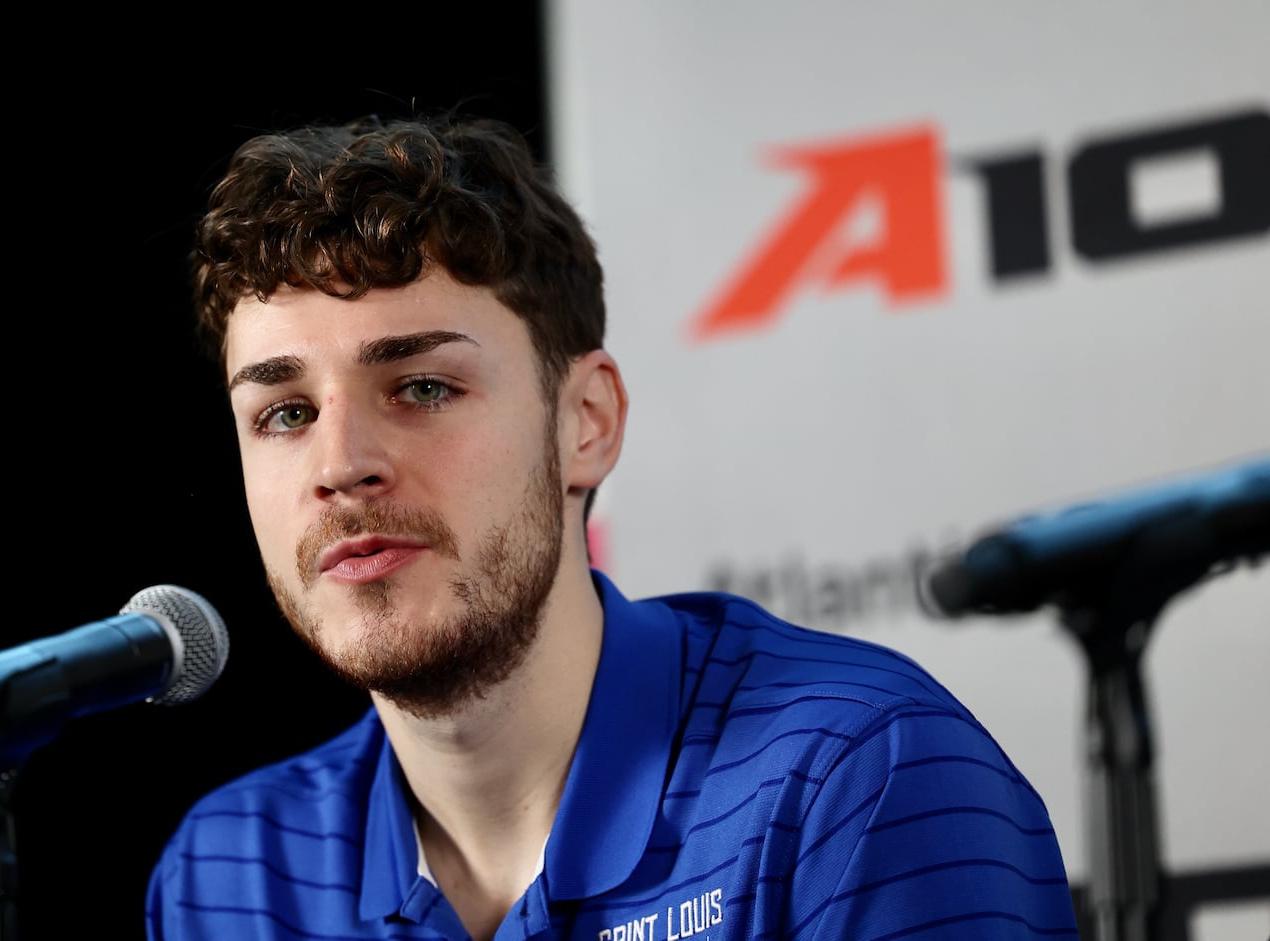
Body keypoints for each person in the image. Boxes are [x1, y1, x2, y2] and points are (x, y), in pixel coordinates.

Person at [145, 110, 1079, 941]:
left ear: (584, 422)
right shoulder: (229, 877)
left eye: (422, 387)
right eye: (285, 414)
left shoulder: (855, 779)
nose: (341, 464)